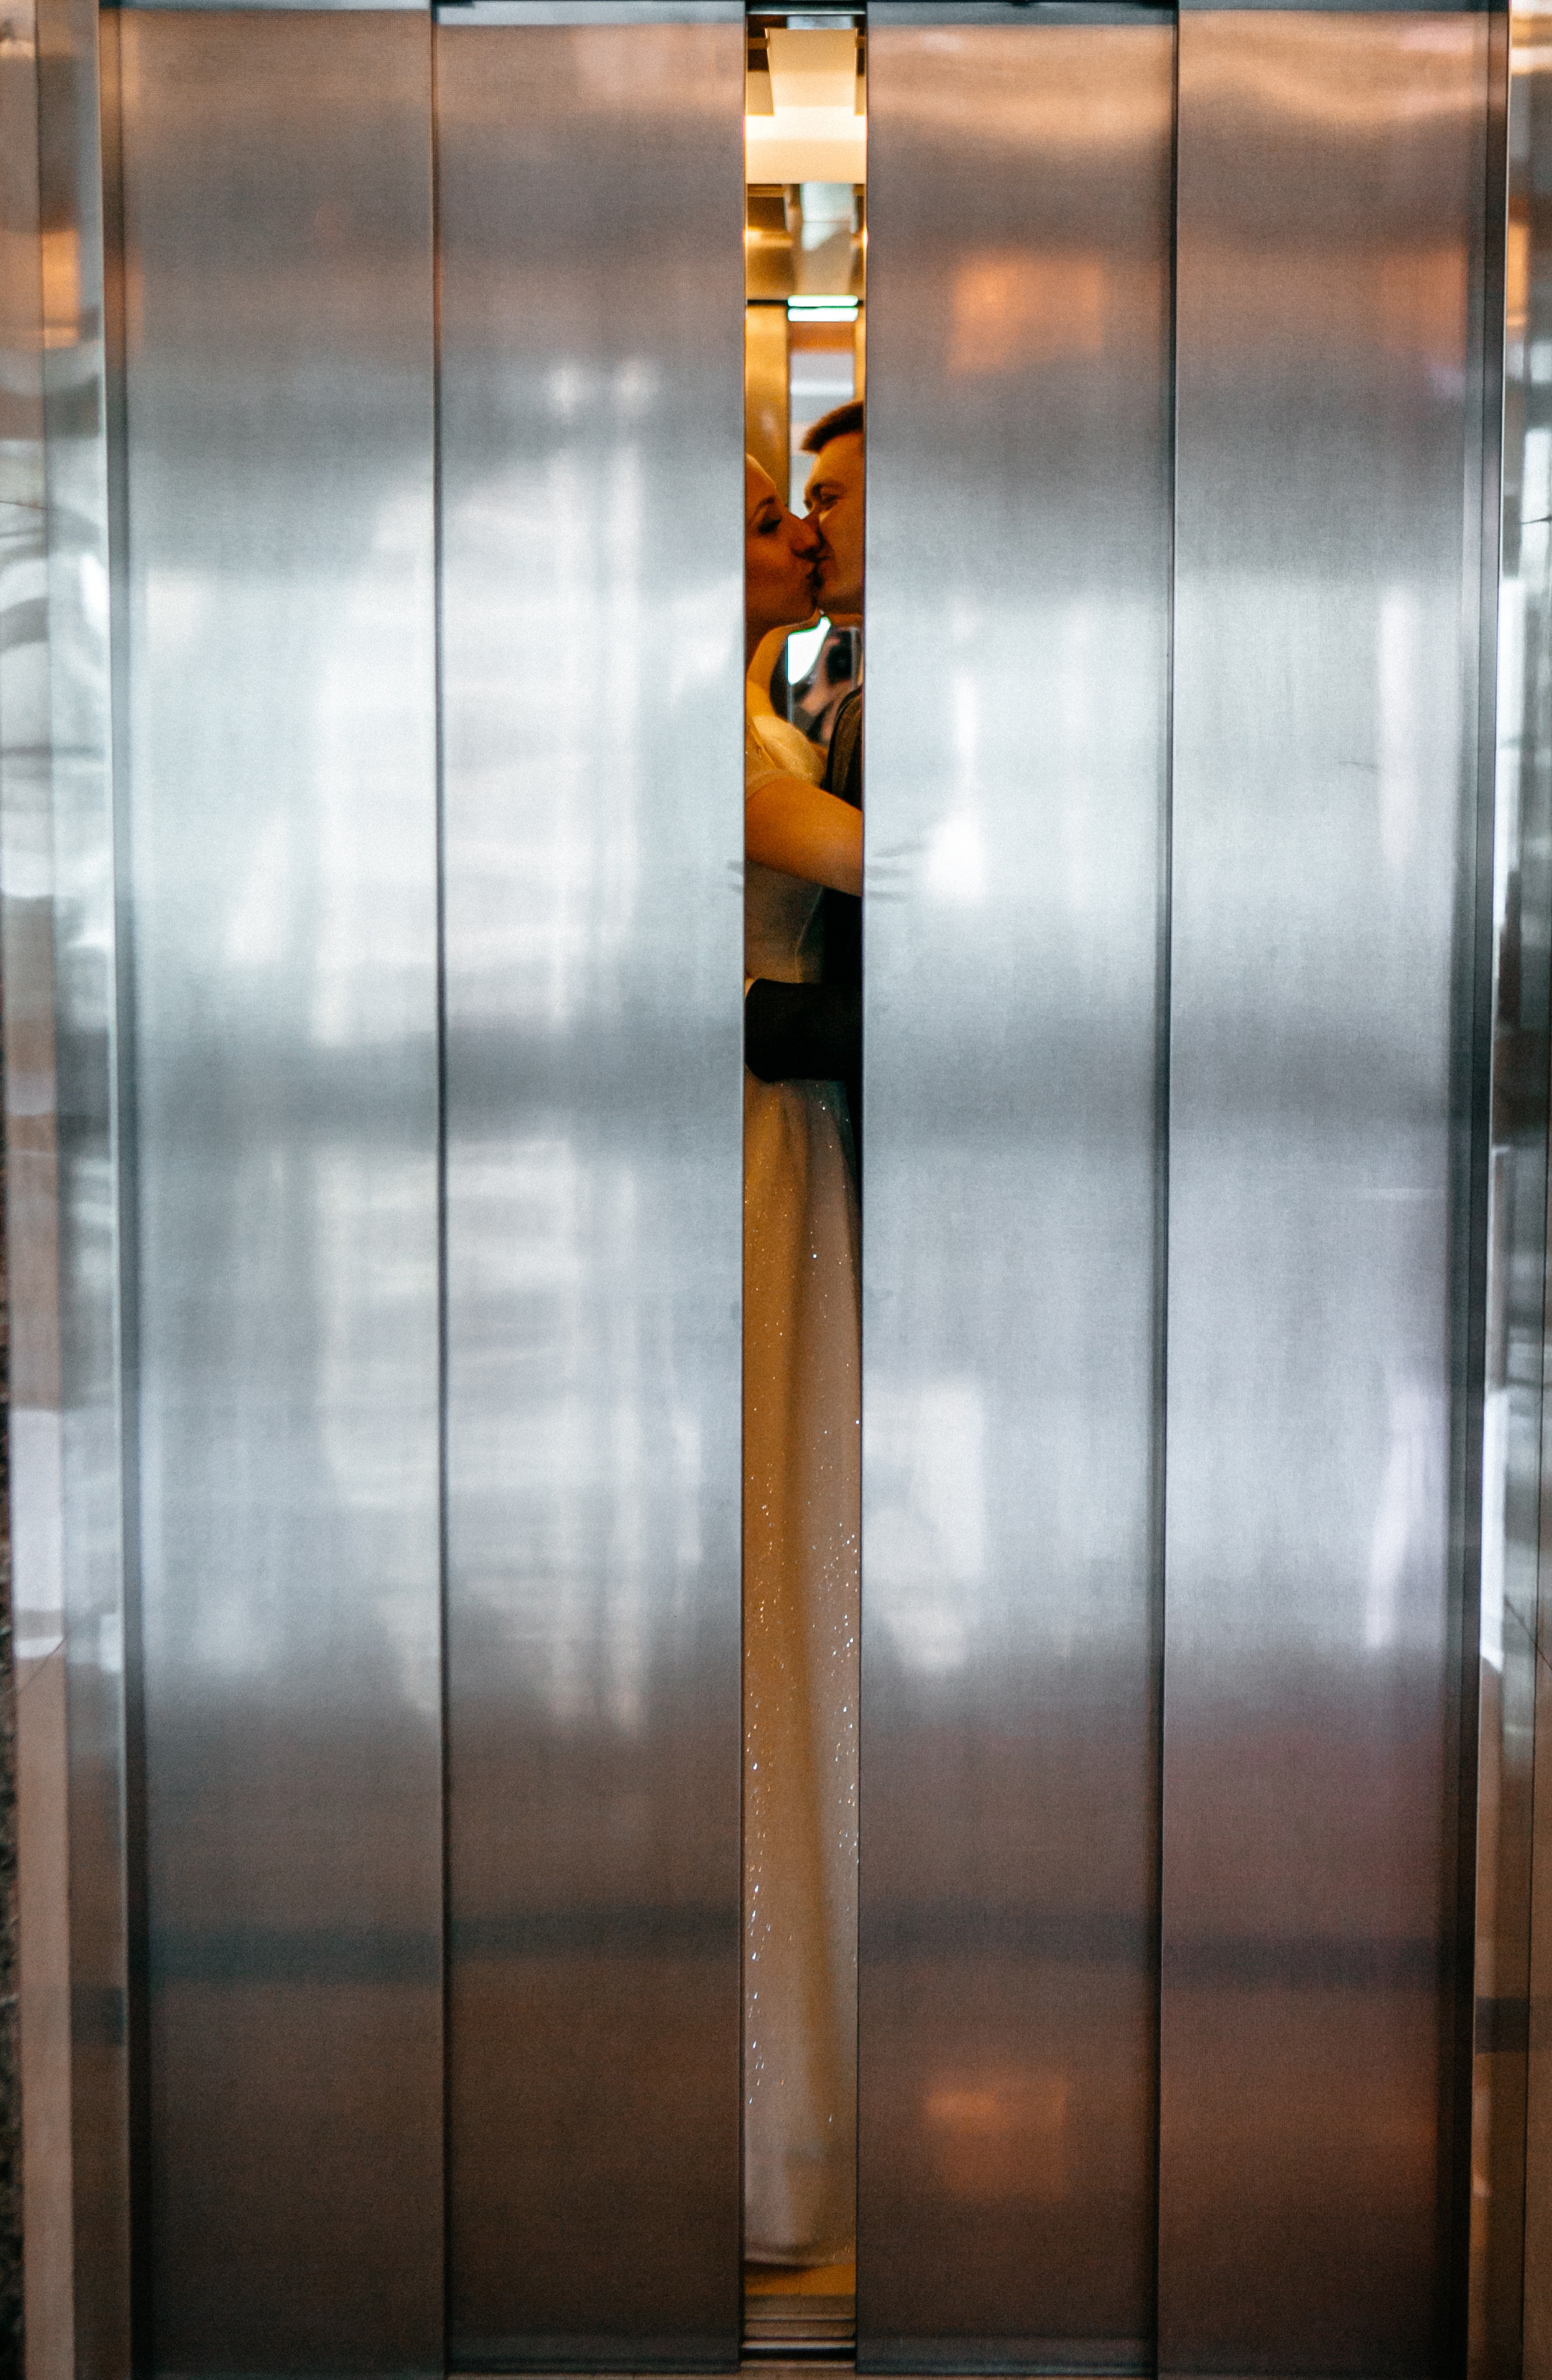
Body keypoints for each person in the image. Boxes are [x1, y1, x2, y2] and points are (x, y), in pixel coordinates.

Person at [740, 455, 860, 2266]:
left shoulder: (783, 704)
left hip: (790, 1137)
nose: (802, 537)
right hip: (754, 1141)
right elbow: (897, 865)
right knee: (766, 1542)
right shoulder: (717, 726)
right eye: (771, 512)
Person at [744, 401, 866, 1165]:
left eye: (823, 500)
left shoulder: (760, 712)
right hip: (780, 1101)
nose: (804, 532)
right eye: (774, 519)